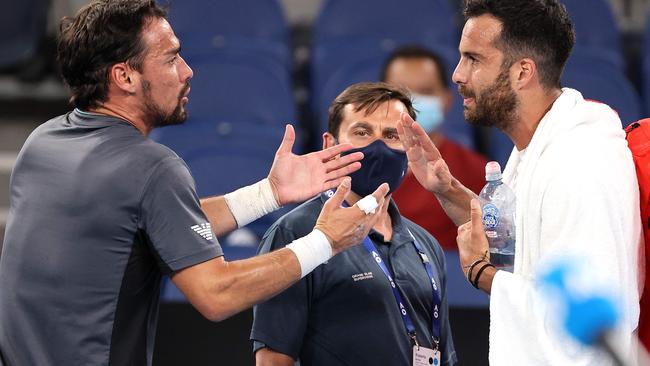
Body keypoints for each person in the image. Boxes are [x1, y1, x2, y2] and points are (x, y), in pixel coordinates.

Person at [0, 1, 391, 365]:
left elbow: (152, 223)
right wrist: (324, 241)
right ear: (124, 76)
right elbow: (216, 294)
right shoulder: (151, 167)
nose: (187, 71)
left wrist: (267, 194)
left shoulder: (44, 142)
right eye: (170, 58)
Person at [398, 0, 641, 364]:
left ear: (522, 72)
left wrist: (482, 275)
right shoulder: (539, 145)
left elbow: (583, 332)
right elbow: (523, 241)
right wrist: (446, 189)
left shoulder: (579, 165)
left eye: (473, 59)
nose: (457, 75)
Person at [251, 82, 457, 366]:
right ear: (330, 146)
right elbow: (274, 359)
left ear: (410, 150)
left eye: (391, 135)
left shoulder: (425, 244)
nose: (378, 146)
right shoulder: (295, 232)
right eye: (362, 132)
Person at [381, 46, 487, 250]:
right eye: (401, 92)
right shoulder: (359, 165)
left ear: (446, 100)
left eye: (426, 92)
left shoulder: (475, 171)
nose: (413, 101)